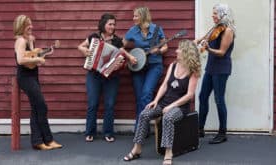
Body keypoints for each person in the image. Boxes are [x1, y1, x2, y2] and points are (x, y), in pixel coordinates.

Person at [123, 39, 201, 165]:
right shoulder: (173, 65)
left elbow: (189, 95)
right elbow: (164, 85)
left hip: (180, 107)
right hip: (165, 103)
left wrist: (171, 106)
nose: (176, 51)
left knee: (168, 118)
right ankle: (137, 148)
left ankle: (168, 152)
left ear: (186, 52)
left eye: (179, 49)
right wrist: (156, 100)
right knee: (144, 114)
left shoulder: (194, 71)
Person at [78, 13, 137, 143]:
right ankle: (90, 132)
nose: (112, 26)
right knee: (92, 103)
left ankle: (108, 132)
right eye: (110, 24)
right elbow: (80, 46)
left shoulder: (117, 40)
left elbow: (122, 55)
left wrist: (121, 63)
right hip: (94, 75)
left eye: (114, 24)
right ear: (103, 24)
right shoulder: (94, 37)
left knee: (110, 105)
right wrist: (85, 51)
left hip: (112, 77)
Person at [14, 15, 62, 150]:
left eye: (31, 24)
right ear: (21, 26)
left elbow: (33, 55)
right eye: (28, 25)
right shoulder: (20, 41)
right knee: (42, 106)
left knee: (36, 108)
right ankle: (48, 139)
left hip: (33, 75)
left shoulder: (30, 39)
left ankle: (39, 142)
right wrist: (38, 61)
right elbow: (21, 60)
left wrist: (45, 53)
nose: (31, 26)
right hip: (25, 78)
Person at [195, 3, 236, 144]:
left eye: (215, 13)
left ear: (223, 14)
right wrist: (197, 41)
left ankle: (222, 132)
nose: (212, 16)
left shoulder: (228, 30)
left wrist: (208, 49)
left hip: (221, 68)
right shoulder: (216, 28)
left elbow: (222, 52)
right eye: (213, 13)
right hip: (211, 67)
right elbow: (205, 38)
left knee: (219, 99)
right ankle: (200, 129)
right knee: (202, 96)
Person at [123, 6, 168, 130]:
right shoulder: (133, 30)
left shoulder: (157, 29)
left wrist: (159, 51)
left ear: (143, 16)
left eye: (136, 16)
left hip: (154, 66)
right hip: (138, 67)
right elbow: (121, 46)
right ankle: (144, 127)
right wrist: (129, 56)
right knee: (139, 97)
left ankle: (140, 128)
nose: (133, 18)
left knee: (146, 94)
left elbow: (165, 47)